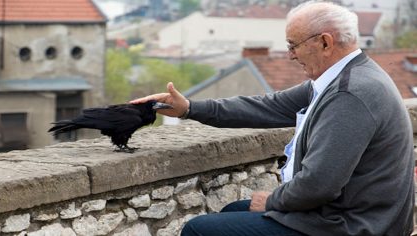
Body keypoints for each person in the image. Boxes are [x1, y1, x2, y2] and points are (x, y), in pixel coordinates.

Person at [130, 1, 414, 235]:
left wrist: (272, 200)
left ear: (325, 42)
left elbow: (318, 186)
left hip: (352, 227)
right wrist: (190, 108)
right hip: (350, 216)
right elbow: (266, 107)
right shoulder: (345, 77)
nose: (290, 55)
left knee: (199, 230)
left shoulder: (349, 94)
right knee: (232, 213)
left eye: (294, 45)